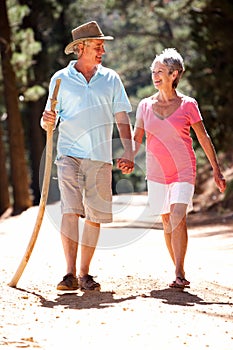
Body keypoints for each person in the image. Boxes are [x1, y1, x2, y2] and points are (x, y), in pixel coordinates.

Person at [41, 21, 134, 291]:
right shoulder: (59, 79)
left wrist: (128, 150)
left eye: (102, 45)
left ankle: (85, 274)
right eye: (97, 45)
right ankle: (69, 274)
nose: (102, 50)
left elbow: (121, 116)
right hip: (68, 153)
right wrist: (46, 120)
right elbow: (50, 120)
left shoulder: (111, 79)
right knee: (70, 210)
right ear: (80, 48)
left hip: (100, 155)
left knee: (94, 216)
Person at [133, 48, 226, 288]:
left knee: (177, 217)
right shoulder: (144, 106)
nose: (155, 76)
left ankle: (179, 271)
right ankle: (178, 266)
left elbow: (203, 138)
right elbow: (137, 138)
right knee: (166, 221)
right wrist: (128, 158)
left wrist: (216, 169)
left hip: (184, 170)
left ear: (174, 74)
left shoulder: (188, 105)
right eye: (153, 71)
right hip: (157, 172)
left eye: (161, 71)